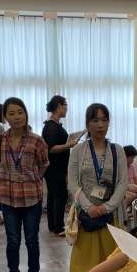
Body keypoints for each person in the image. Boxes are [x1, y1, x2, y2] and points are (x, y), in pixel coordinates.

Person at [0, 97, 49, 272]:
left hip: (31, 198)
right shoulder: (0, 140)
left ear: (26, 114)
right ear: (5, 117)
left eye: (20, 112)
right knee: (13, 241)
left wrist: (33, 178)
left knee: (31, 240)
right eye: (12, 113)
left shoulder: (37, 140)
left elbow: (44, 164)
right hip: (8, 198)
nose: (17, 117)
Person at [68, 103, 128, 272]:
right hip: (86, 219)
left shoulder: (117, 150)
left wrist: (106, 207)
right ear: (87, 124)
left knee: (112, 267)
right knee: (84, 268)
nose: (100, 125)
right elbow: (72, 183)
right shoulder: (78, 151)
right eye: (95, 120)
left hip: (111, 218)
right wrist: (89, 207)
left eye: (104, 120)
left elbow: (123, 182)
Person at [42, 95, 78, 236]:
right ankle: (58, 226)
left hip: (55, 168)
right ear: (58, 106)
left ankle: (53, 225)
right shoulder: (51, 127)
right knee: (59, 196)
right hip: (55, 168)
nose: (66, 109)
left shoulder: (54, 125)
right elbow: (51, 148)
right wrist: (69, 145)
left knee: (53, 196)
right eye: (65, 106)